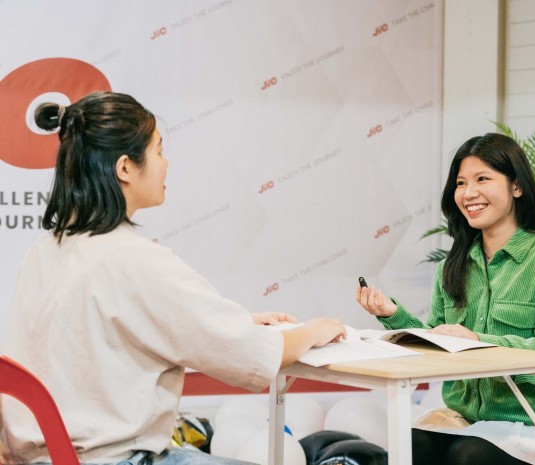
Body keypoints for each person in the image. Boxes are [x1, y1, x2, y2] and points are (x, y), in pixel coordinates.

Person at [1, 91, 346, 465]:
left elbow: (103, 335)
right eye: (158, 150)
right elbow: (253, 353)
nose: (166, 164)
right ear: (125, 168)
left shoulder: (44, 252)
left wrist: (242, 323)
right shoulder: (135, 259)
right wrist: (313, 331)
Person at [356, 133, 535, 465]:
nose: (468, 193)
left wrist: (477, 342)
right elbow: (439, 343)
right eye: (461, 183)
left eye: (482, 179)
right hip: (469, 420)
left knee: (467, 457)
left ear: (516, 186)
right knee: (409, 445)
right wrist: (392, 314)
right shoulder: (452, 266)